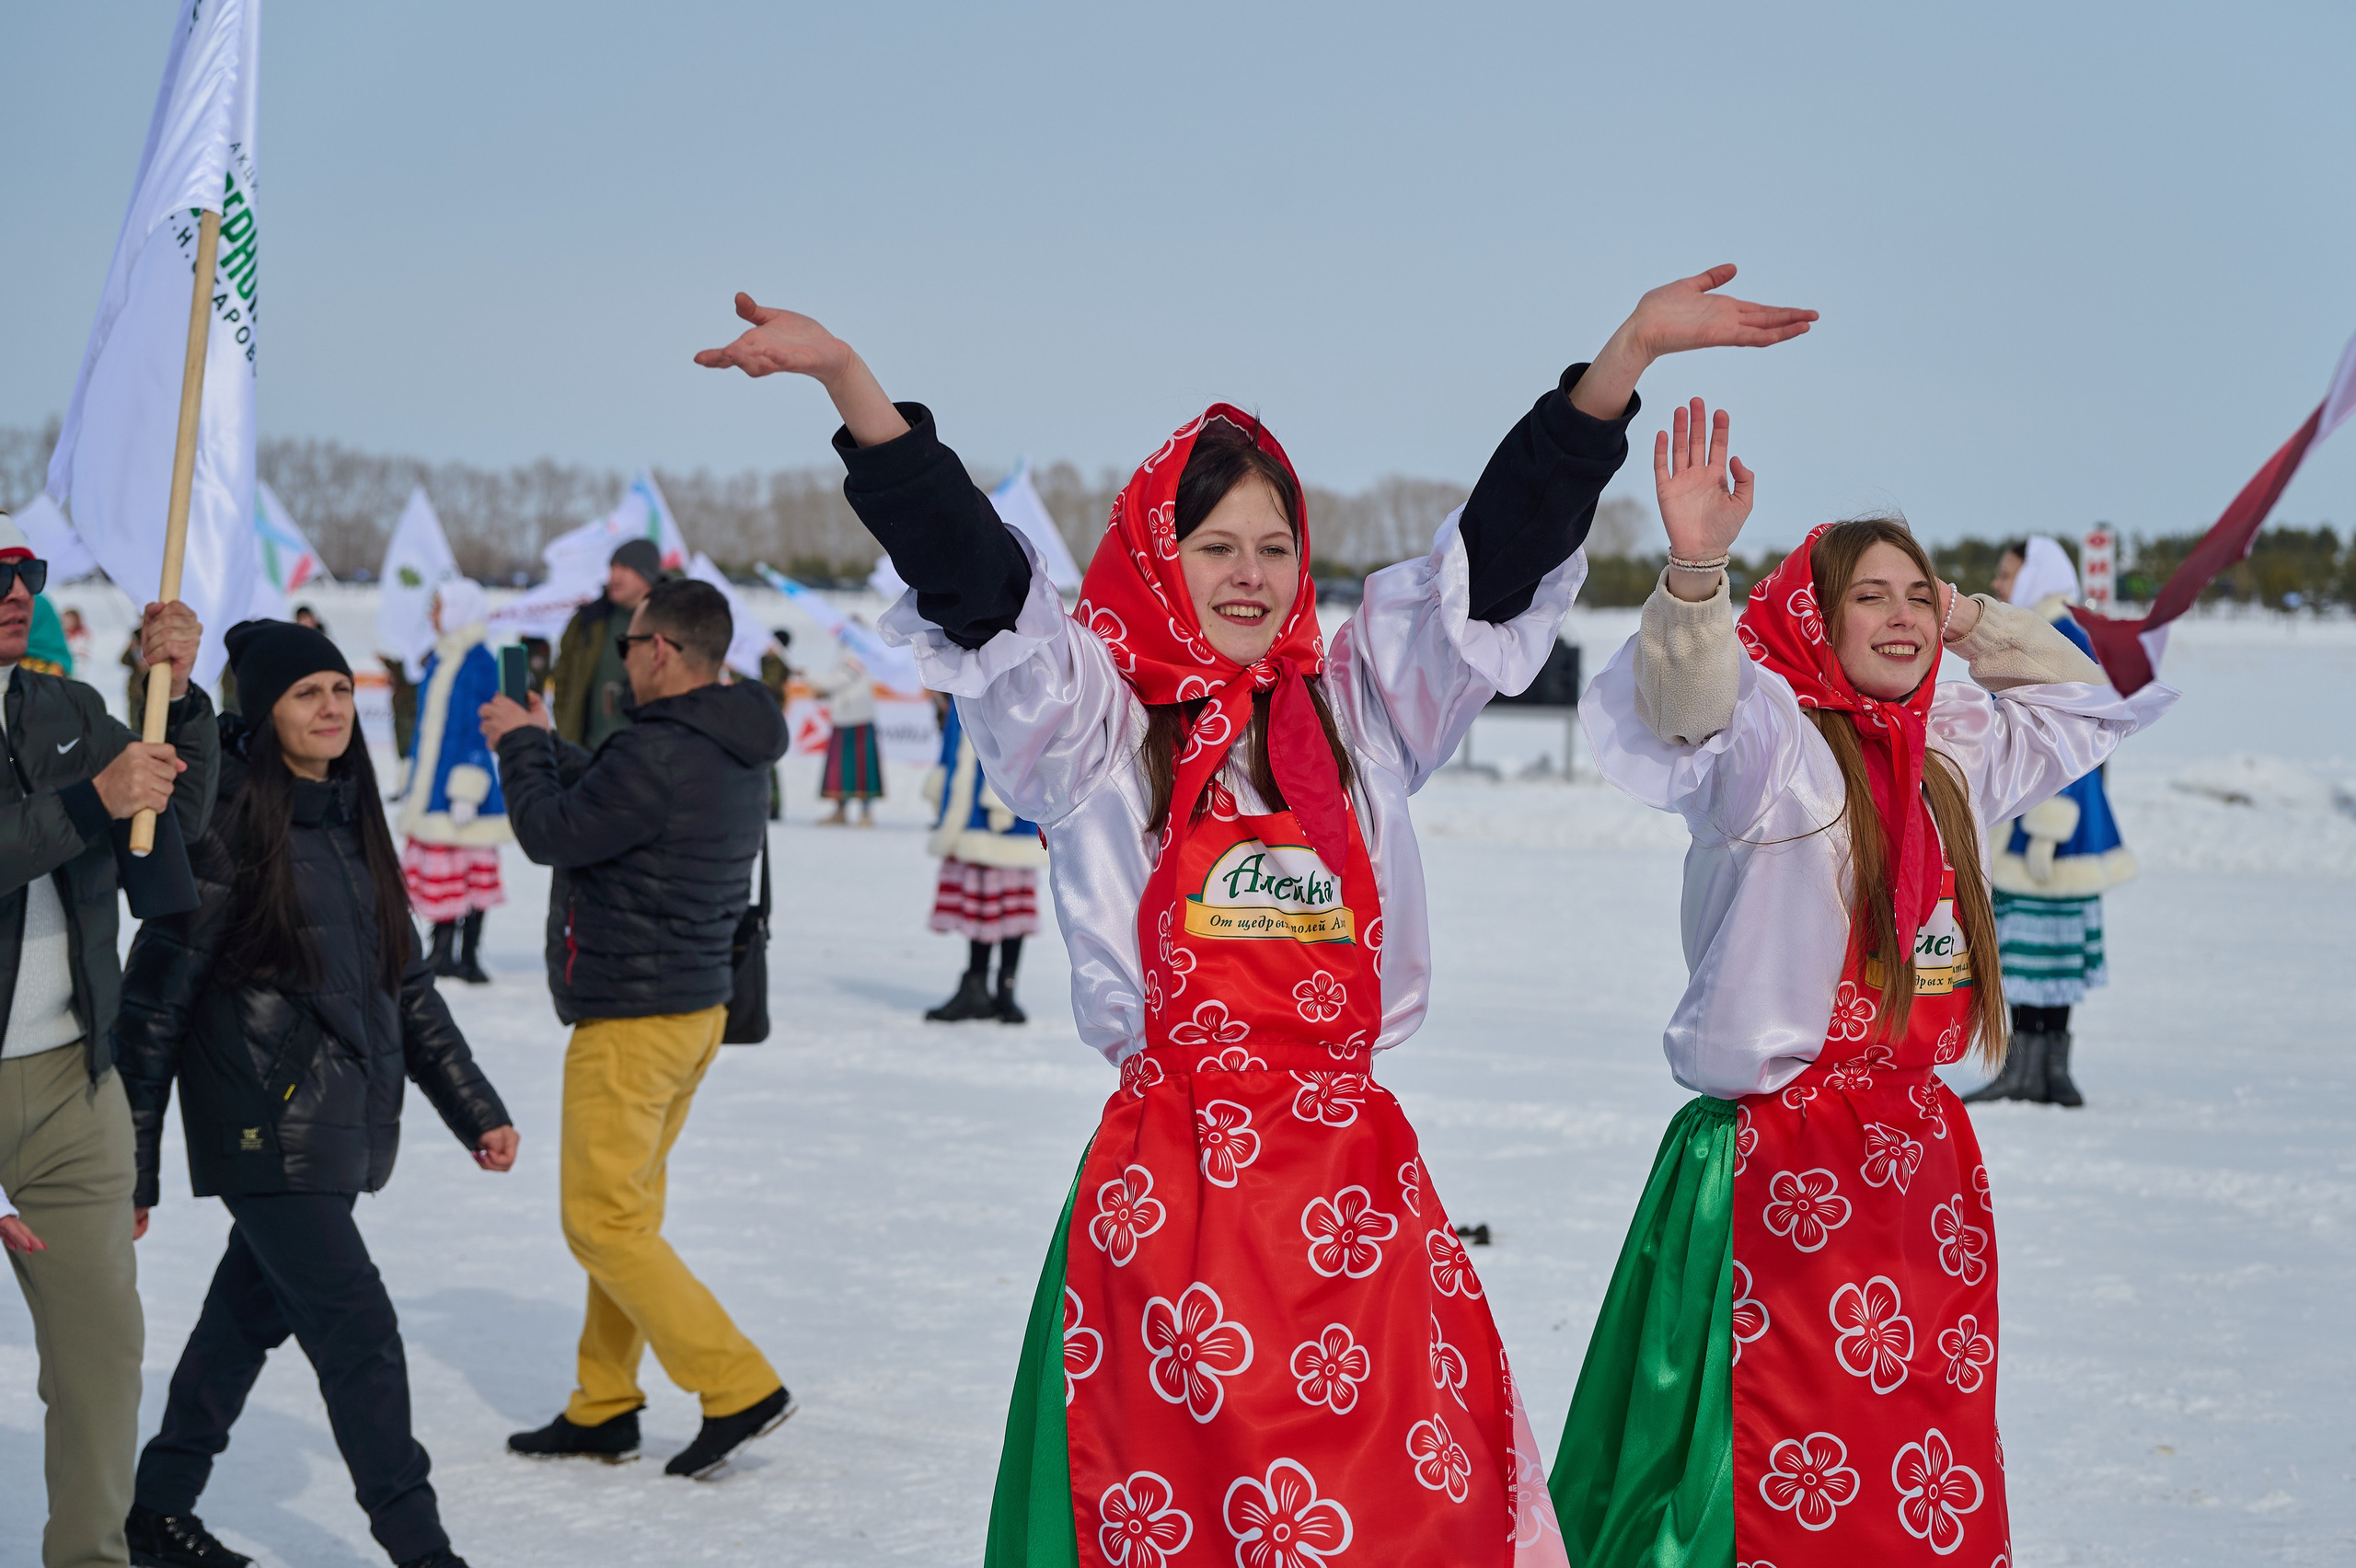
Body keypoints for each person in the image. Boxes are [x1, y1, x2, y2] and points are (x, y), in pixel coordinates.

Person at [693, 265, 1814, 1562]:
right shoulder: (1096, 727)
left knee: (1405, 1517)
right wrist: (851, 385)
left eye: (1274, 547)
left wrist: (1619, 363)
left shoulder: (1360, 711)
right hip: (1174, 1210)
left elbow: (1492, 557)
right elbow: (976, 582)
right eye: (1214, 546)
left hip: (1356, 1206)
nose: (1249, 576)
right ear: (1159, 561)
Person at [1551, 401, 2175, 1565]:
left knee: (1912, 1445)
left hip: (1918, 1170)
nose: (1900, 617)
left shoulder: (1947, 761)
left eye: (1915, 594)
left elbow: (2084, 706)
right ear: (1815, 618)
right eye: (1870, 597)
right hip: (1774, 1161)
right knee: (1761, 1460)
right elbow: (1687, 706)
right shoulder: (1772, 756)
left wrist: (1972, 615)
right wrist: (1696, 570)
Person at [116, 621, 514, 1568]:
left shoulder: (351, 822)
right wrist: (131, 1163)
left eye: (339, 688)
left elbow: (404, 989)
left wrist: (476, 1105)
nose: (331, 707)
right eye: (306, 694)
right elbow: (154, 1002)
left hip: (339, 1125)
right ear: (265, 711)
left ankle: (158, 1511)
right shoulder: (224, 828)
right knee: (359, 1333)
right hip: (262, 1125)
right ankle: (424, 1551)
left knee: (239, 1325)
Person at [480, 578, 795, 1480]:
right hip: (691, 1005)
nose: (623, 657)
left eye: (628, 644)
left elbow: (550, 831)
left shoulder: (658, 751)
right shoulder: (724, 738)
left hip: (633, 1015)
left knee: (601, 1224)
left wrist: (521, 751)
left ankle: (737, 1384)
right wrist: (547, 743)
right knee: (627, 1215)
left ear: (660, 649)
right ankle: (604, 1402)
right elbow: (617, 800)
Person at [0, 513, 215, 1568]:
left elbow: (170, 839)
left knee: (100, 1360)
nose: (12, 591)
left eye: (23, 572)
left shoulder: (69, 708)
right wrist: (95, 799)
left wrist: (177, 693)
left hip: (71, 1088)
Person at [1965, 536, 2136, 1106]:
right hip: (2059, 826)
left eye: (2009, 575)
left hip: (2049, 829)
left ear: (2037, 575)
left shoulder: (2056, 636)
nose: (2000, 585)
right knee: (2042, 948)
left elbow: (2062, 749)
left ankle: (2036, 1071)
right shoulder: (2066, 631)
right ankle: (2040, 1071)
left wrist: (2047, 827)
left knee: (2035, 946)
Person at [398, 580, 511, 986]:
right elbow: (424, 727)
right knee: (443, 873)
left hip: (466, 791)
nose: (432, 616)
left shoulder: (480, 662)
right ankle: (442, 951)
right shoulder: (439, 660)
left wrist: (469, 787)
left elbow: (480, 730)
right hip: (432, 786)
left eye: (438, 607)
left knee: (470, 874)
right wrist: (412, 771)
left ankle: (469, 955)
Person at [921, 697, 1048, 1023]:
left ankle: (1005, 988)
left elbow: (1021, 745)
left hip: (999, 815)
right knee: (979, 901)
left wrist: (1001, 802)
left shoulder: (1003, 679)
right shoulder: (960, 687)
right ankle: (977, 985)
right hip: (967, 814)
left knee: (1005, 901)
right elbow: (952, 747)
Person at [549, 538, 661, 750]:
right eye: (612, 567)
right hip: (589, 754)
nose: (614, 576)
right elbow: (562, 677)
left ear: (647, 575)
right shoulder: (589, 619)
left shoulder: (672, 621)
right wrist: (567, 729)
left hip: (646, 758)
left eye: (625, 568)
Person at [811, 649, 881, 824]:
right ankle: (840, 810)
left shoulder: (858, 652)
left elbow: (840, 680)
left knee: (862, 768)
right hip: (844, 717)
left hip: (858, 718)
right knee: (841, 768)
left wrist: (806, 674)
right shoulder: (843, 651)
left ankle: (866, 813)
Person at [758, 628, 793, 821]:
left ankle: (772, 805)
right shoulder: (769, 662)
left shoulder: (776, 664)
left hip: (768, 715)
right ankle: (770, 805)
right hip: (766, 715)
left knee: (767, 762)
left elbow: (766, 685)